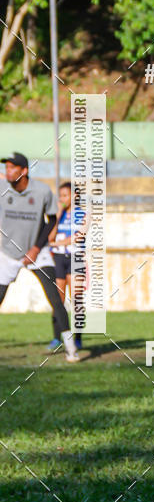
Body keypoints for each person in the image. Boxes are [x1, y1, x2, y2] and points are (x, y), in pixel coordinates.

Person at [0, 152, 79, 362]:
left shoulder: (42, 191)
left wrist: (35, 248)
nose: (7, 171)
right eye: (5, 167)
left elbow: (52, 219)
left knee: (55, 298)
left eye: (12, 167)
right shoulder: (2, 188)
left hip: (38, 252)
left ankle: (71, 347)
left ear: (24, 171)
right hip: (8, 254)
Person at [47, 181, 86, 352]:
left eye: (65, 195)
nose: (62, 199)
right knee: (58, 300)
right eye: (60, 196)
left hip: (75, 258)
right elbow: (49, 237)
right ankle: (58, 338)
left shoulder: (82, 214)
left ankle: (78, 338)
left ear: (74, 196)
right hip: (58, 259)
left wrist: (57, 243)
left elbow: (77, 237)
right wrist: (58, 215)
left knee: (76, 299)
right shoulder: (57, 215)